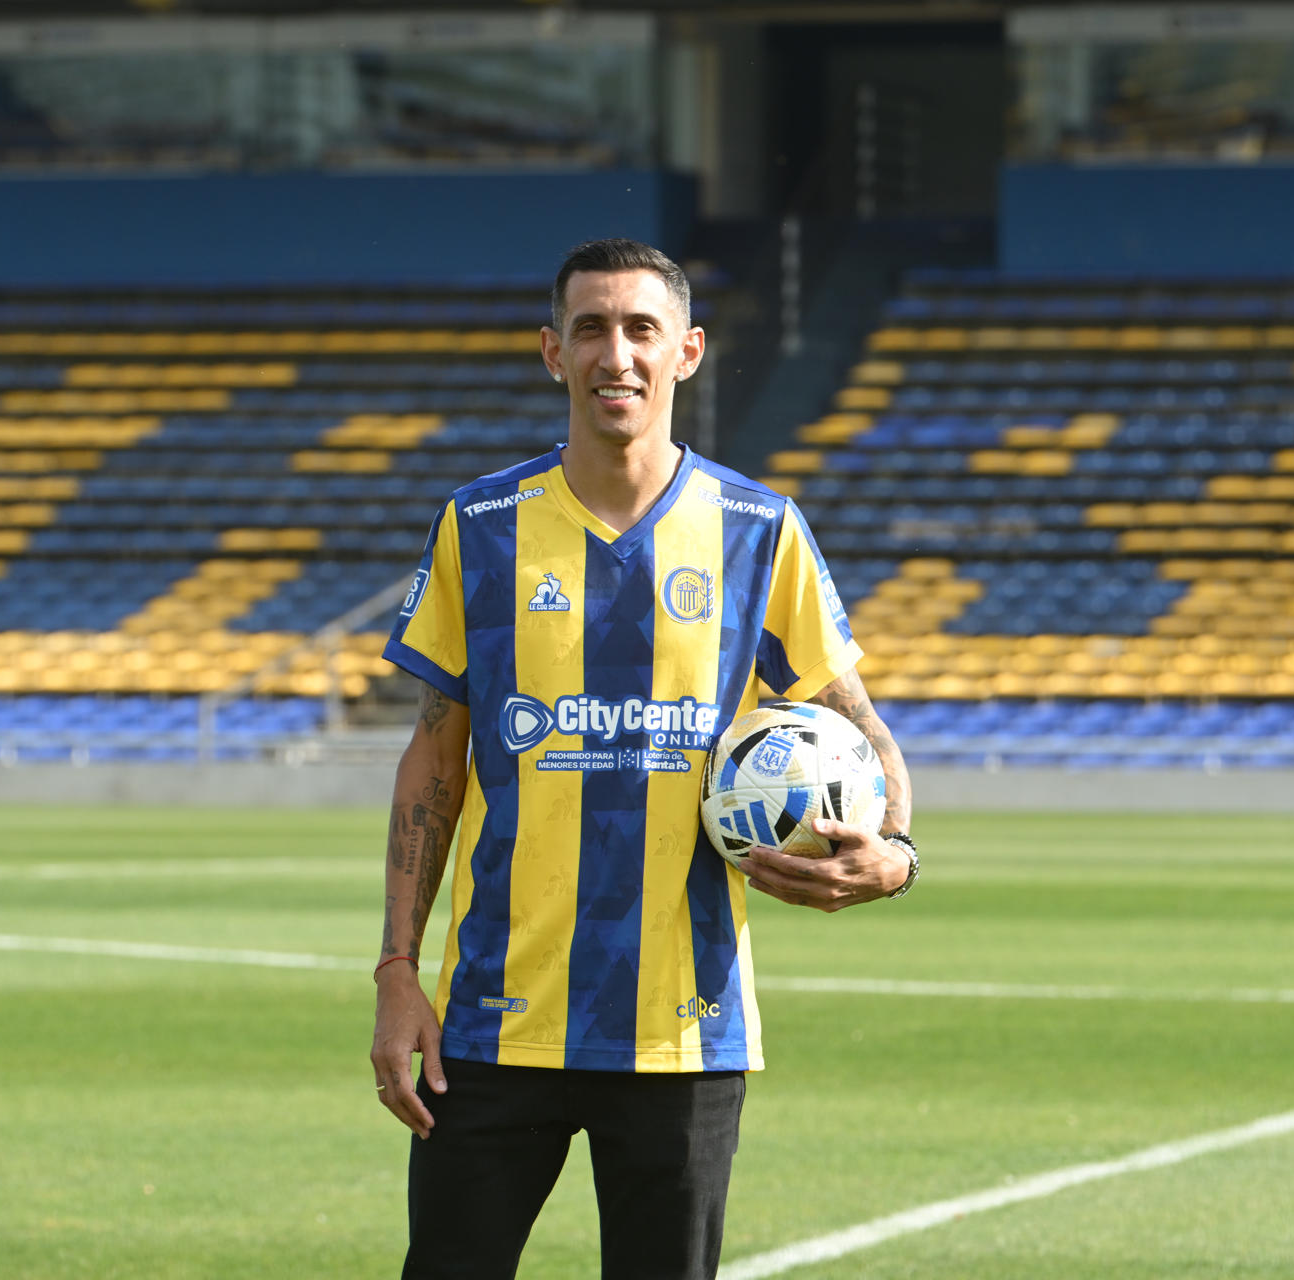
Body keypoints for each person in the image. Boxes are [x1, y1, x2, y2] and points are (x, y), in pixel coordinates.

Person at [370, 238, 916, 1280]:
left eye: (640, 329)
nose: (614, 354)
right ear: (553, 352)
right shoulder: (481, 526)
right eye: (590, 329)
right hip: (492, 1022)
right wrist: (397, 971)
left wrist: (895, 853)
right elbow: (433, 759)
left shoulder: (760, 530)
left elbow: (861, 728)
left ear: (687, 351)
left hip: (682, 1032)